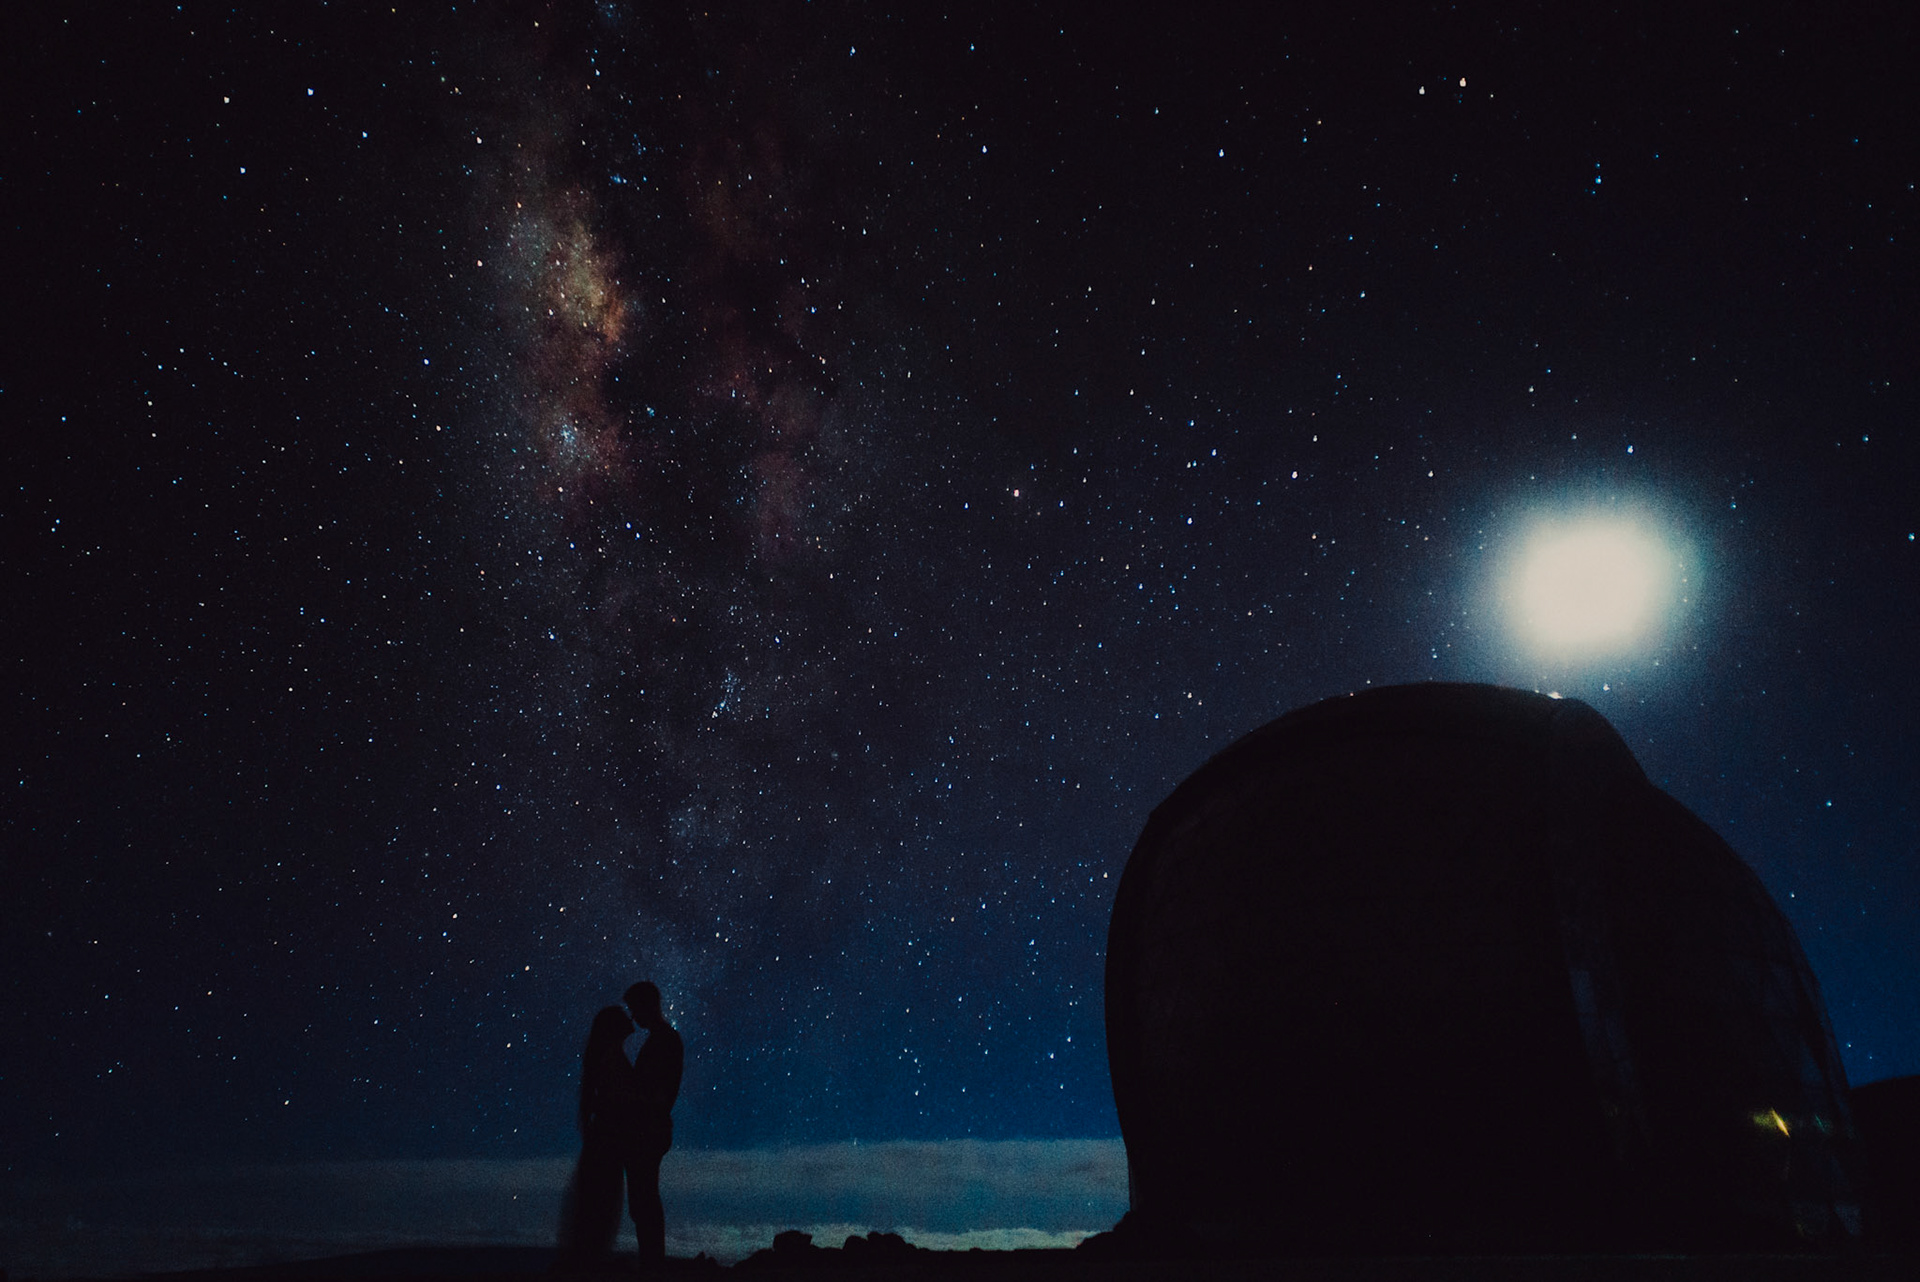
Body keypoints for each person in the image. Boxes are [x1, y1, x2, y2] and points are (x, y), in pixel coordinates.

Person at [556, 1005, 636, 1263]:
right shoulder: (611, 1058)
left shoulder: (603, 1056)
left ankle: (588, 1254)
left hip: (604, 1136)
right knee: (602, 1197)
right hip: (609, 1137)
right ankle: (591, 1256)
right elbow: (615, 1097)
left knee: (597, 1196)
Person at [623, 981, 684, 1266]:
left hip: (650, 1129)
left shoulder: (665, 1041)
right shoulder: (664, 1039)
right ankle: (652, 1261)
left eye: (635, 1009)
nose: (633, 1017)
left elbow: (659, 1092)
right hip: (651, 1128)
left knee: (644, 1198)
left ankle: (652, 1263)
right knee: (643, 1198)